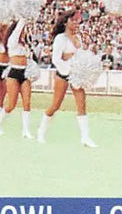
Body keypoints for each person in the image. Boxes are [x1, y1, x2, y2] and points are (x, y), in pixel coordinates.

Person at [37, 9, 97, 147]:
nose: (77, 23)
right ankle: (41, 131)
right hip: (63, 74)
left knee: (82, 105)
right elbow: (56, 59)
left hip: (77, 75)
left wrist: (79, 67)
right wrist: (69, 68)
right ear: (65, 22)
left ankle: (85, 137)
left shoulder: (78, 38)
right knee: (55, 105)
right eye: (73, 20)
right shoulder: (60, 38)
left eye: (78, 20)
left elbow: (79, 56)